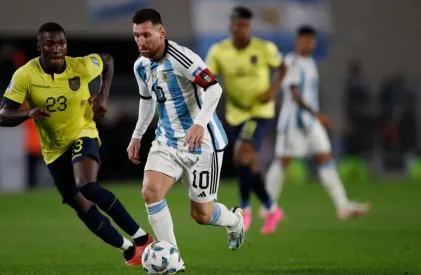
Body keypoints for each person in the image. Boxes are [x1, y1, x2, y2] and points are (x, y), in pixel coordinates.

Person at [0, 22, 152, 265]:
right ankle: (129, 250)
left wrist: (103, 96)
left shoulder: (80, 65)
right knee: (80, 204)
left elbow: (108, 60)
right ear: (40, 47)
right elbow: (3, 116)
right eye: (49, 43)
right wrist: (28, 113)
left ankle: (142, 237)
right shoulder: (25, 75)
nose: (56, 48)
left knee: (87, 185)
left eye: (61, 43)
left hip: (83, 132)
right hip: (54, 150)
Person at [126, 8, 245, 269]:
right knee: (151, 192)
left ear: (162, 32)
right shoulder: (141, 66)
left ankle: (235, 221)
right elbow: (147, 100)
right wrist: (137, 136)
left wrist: (200, 124)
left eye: (146, 35)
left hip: (202, 144)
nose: (141, 42)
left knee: (201, 214)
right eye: (136, 36)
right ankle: (173, 260)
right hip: (167, 141)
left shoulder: (181, 57)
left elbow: (214, 88)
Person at [265, 26, 371, 220]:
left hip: (310, 122)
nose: (311, 44)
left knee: (326, 157)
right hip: (294, 122)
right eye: (307, 40)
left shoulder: (310, 62)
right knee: (282, 161)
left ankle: (343, 206)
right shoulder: (292, 62)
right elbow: (294, 94)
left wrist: (315, 116)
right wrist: (317, 114)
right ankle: (268, 206)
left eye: (313, 40)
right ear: (298, 40)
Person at [205, 6, 286, 233]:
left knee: (241, 152)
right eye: (237, 24)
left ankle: (245, 209)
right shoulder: (219, 51)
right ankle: (271, 207)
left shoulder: (264, 48)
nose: (240, 29)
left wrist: (272, 90)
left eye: (245, 25)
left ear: (249, 26)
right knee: (247, 162)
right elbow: (206, 77)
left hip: (260, 111)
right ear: (231, 26)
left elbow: (282, 67)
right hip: (235, 114)